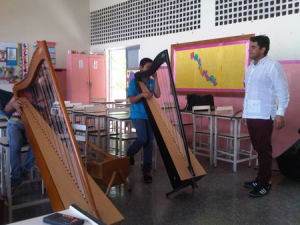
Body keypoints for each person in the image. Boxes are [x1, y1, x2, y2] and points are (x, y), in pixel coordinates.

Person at [242, 35, 290, 197]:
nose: (250, 49)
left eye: (254, 47)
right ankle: (260, 178)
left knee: (264, 149)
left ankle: (264, 183)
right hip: (251, 115)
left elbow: (282, 91)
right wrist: (245, 113)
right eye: (250, 46)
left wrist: (280, 113)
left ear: (263, 49)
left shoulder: (272, 66)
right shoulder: (250, 67)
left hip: (264, 115)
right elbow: (248, 92)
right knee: (258, 148)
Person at [126, 58, 161, 183]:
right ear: (141, 68)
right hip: (137, 114)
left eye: (151, 67)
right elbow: (131, 100)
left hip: (150, 115)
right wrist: (142, 95)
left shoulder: (151, 82)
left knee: (149, 142)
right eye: (147, 67)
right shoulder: (134, 82)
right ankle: (130, 153)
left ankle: (147, 169)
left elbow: (158, 95)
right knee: (142, 138)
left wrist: (156, 78)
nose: (149, 69)